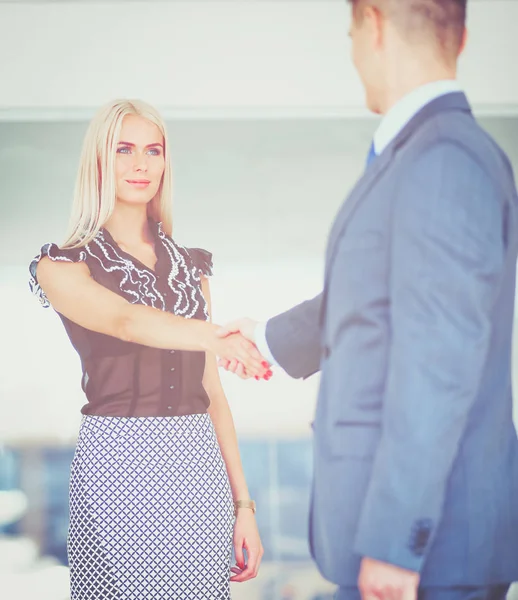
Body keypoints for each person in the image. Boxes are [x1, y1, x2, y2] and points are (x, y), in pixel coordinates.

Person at [218, 1, 518, 600]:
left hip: (425, 557)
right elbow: (386, 294)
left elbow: (438, 363)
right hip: (418, 552)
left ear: (373, 25)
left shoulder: (442, 162)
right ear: (459, 38)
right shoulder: (422, 154)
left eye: (351, 30)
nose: (353, 49)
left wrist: (392, 545)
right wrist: (271, 338)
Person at [28, 99, 270, 599]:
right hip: (117, 463)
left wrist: (242, 506)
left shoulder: (191, 265)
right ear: (98, 160)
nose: (141, 164)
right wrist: (217, 334)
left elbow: (212, 393)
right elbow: (125, 321)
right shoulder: (61, 265)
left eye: (153, 151)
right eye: (124, 149)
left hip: (197, 465)